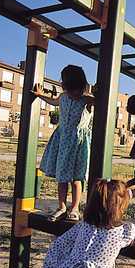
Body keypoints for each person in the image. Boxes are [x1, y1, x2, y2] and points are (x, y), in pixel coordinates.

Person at [33, 65, 94, 222]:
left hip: (79, 142)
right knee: (61, 177)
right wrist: (40, 95)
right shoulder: (63, 97)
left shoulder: (87, 100)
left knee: (76, 178)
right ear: (65, 87)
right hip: (63, 140)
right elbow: (52, 102)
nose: (75, 94)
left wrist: (97, 93)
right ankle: (61, 206)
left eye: (78, 90)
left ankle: (75, 208)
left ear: (83, 87)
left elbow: (102, 102)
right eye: (72, 90)